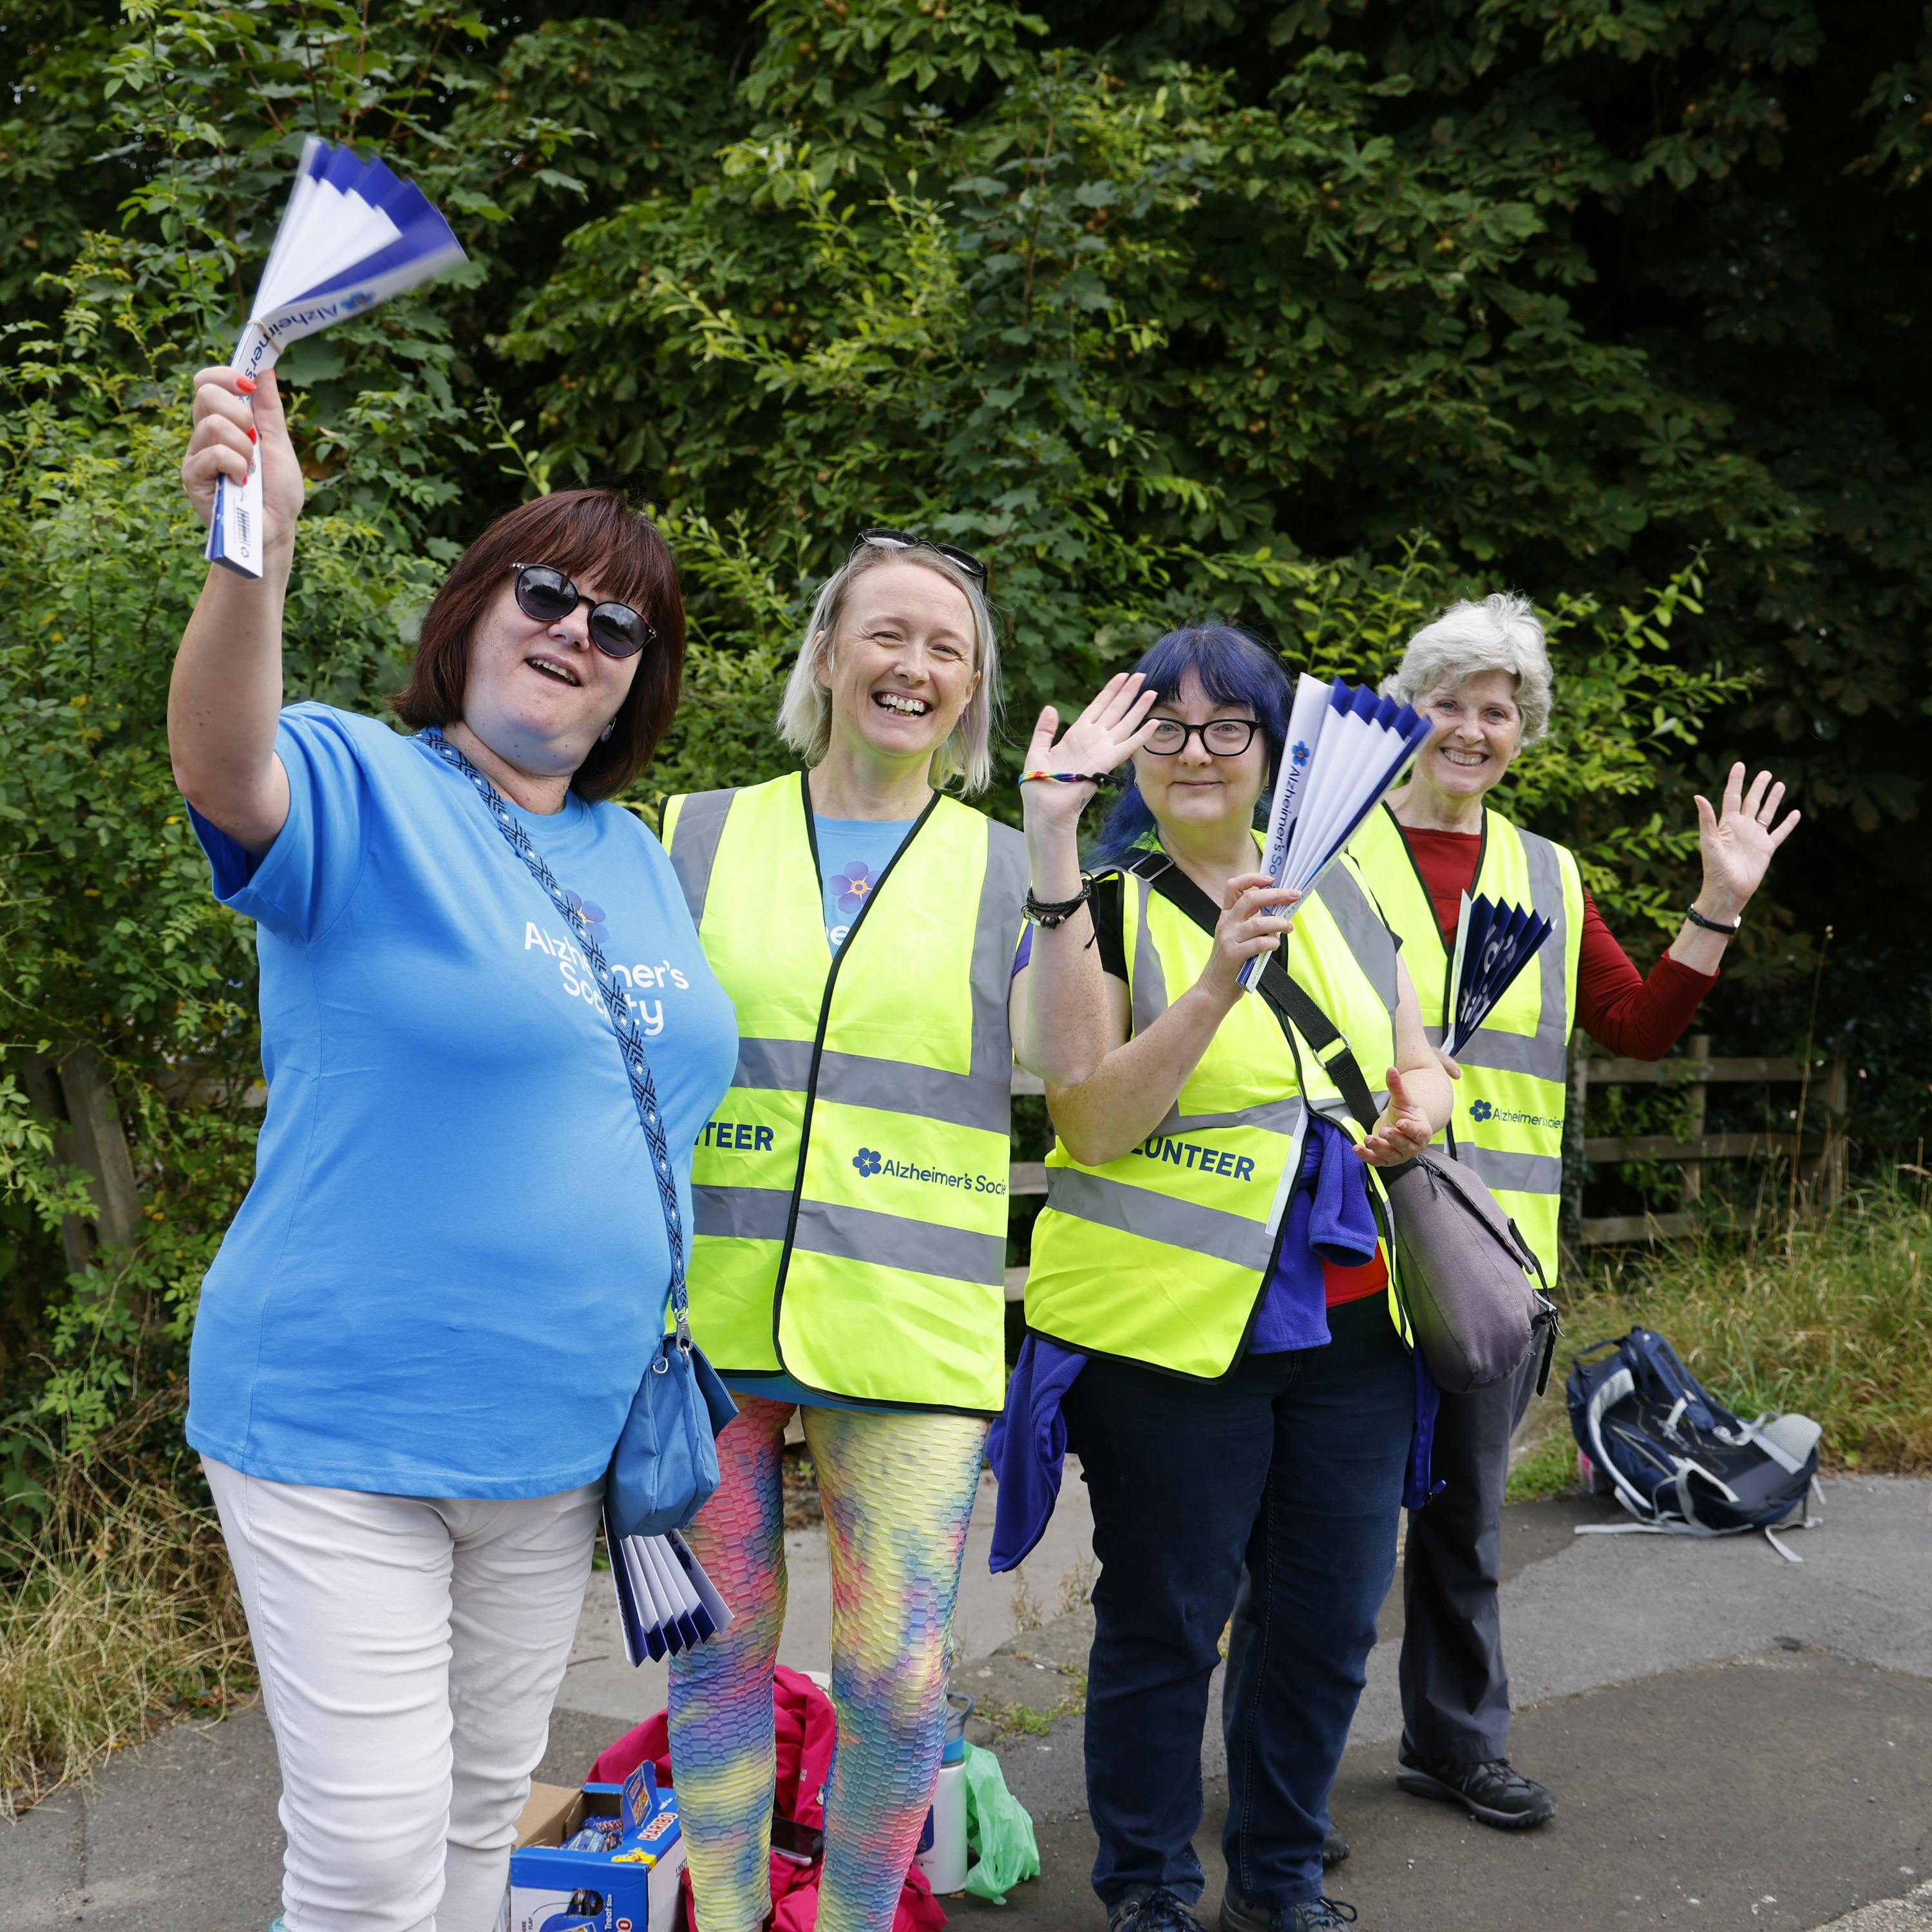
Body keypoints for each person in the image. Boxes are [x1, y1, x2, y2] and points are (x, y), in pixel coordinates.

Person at [172, 365, 739, 1932]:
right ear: (475, 612)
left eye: (616, 627)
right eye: (546, 594)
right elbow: (224, 765)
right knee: (364, 1857)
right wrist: (253, 554)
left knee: (483, 1828)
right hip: (341, 1427)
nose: (575, 632)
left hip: (564, 1448)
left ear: (637, 684)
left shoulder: (633, 855)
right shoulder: (363, 780)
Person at [659, 529, 1156, 1932]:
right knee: (713, 1660)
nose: (914, 666)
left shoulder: (1012, 865)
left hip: (910, 1329)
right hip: (705, 1329)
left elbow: (1075, 1076)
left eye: (949, 649)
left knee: (895, 1675)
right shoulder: (696, 831)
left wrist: (1061, 849)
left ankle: (860, 1920)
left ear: (975, 691)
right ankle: (730, 1912)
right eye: (887, 634)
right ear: (826, 655)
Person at [1014, 627, 1457, 1932]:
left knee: (1324, 1625)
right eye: (1167, 726)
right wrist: (1217, 980)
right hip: (1168, 1340)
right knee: (1166, 1619)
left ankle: (1279, 1874)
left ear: (1274, 750)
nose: (1195, 752)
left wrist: (1419, 1108)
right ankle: (1148, 1886)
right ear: (1129, 746)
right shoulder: (1092, 910)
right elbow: (1091, 1125)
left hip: (1356, 1325)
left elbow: (1421, 1056)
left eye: (1228, 728)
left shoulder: (1354, 888)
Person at [1347, 591, 1799, 1832]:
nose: (1472, 728)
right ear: (1405, 710)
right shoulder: (1332, 851)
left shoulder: (1545, 872)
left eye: (1498, 709)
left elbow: (1641, 1029)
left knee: (1464, 1527)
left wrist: (1722, 902)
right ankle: (1286, 1782)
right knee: (1317, 1541)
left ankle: (1455, 1745)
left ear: (1522, 731)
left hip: (1490, 1263)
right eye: (1449, 701)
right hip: (1346, 1242)